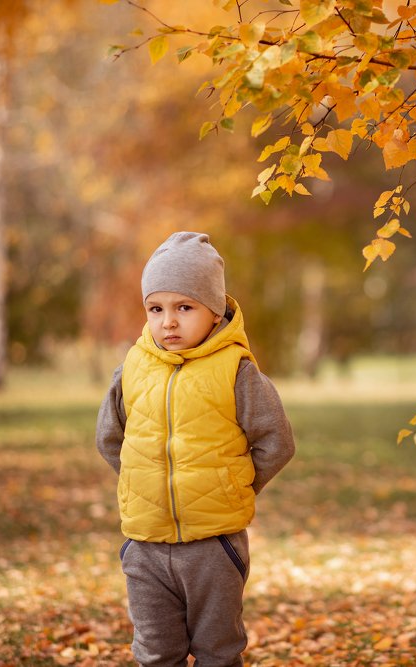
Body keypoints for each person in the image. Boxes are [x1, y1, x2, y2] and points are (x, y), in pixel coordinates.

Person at [96, 231, 295, 666]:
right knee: (155, 653)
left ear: (215, 311)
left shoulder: (237, 371)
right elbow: (111, 439)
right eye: (156, 308)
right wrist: (148, 483)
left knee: (217, 653)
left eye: (184, 307)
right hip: (145, 546)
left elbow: (276, 442)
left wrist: (229, 484)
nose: (168, 321)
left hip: (214, 548)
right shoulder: (132, 369)